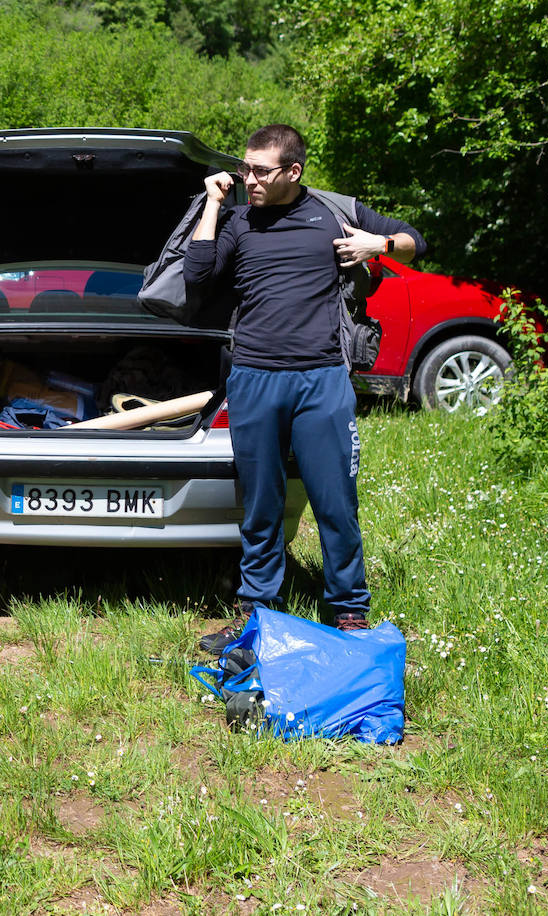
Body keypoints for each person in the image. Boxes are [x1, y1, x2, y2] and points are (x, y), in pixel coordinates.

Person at [183, 124, 425, 654]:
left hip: (322, 380)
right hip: (253, 377)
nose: (251, 179)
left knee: (335, 502)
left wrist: (377, 244)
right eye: (246, 169)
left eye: (261, 171)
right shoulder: (239, 218)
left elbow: (414, 242)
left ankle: (350, 614)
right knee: (261, 505)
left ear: (294, 171)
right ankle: (256, 618)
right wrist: (211, 206)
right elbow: (197, 277)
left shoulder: (334, 212)